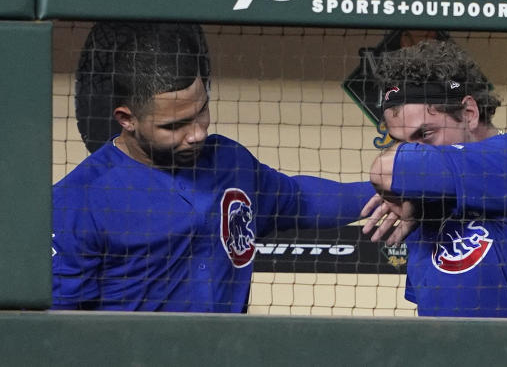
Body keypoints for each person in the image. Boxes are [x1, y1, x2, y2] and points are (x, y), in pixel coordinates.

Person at [52, 22, 374, 312]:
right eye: (174, 125)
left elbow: (300, 199)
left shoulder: (229, 161)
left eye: (201, 112)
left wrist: (389, 190)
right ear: (127, 119)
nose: (197, 134)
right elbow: (56, 323)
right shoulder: (78, 200)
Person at [361, 40, 507, 318]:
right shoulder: (419, 196)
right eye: (402, 142)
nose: (414, 150)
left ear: (469, 113)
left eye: (424, 135)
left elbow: (384, 170)